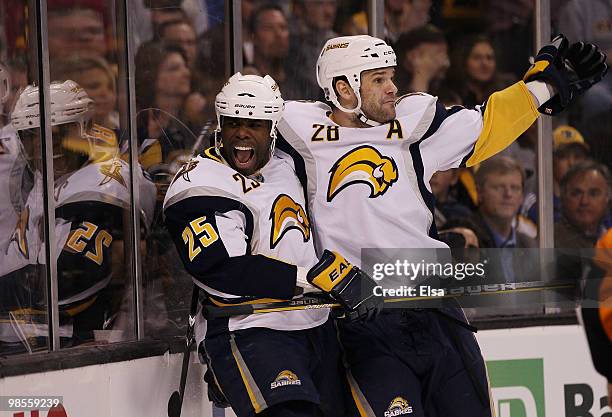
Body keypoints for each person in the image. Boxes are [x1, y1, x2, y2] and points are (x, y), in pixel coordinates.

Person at [276, 34, 606, 416]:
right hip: (363, 320)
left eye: (391, 76)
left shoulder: (413, 125)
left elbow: (486, 123)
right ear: (343, 87)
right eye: (378, 79)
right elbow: (240, 151)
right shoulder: (296, 131)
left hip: (437, 310)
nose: (392, 88)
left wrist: (545, 86)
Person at [163, 73, 379, 417]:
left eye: (254, 124)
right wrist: (314, 277)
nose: (242, 132)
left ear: (272, 129)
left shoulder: (290, 164)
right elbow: (222, 271)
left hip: (317, 326)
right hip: (250, 330)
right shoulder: (199, 183)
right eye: (233, 122)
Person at [1, 80, 156, 350]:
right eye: (32, 136)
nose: (45, 147)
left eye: (57, 133)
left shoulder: (106, 182)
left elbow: (70, 281)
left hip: (81, 341)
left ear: (84, 127)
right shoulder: (41, 179)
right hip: (27, 335)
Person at [556, 160, 611, 248]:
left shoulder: (609, 236)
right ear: (563, 198)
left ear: (607, 198)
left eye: (593, 194)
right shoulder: (549, 240)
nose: (584, 201)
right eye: (576, 193)